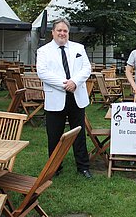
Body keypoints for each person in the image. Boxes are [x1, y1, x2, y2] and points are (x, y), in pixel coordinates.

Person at [36, 18, 92, 178]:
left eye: (65, 31)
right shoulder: (44, 51)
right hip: (56, 98)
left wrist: (74, 82)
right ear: (52, 32)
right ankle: (55, 167)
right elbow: (43, 72)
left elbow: (87, 68)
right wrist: (65, 84)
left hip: (76, 96)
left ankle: (83, 167)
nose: (62, 33)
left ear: (68, 32)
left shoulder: (78, 48)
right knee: (54, 135)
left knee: (79, 134)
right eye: (59, 30)